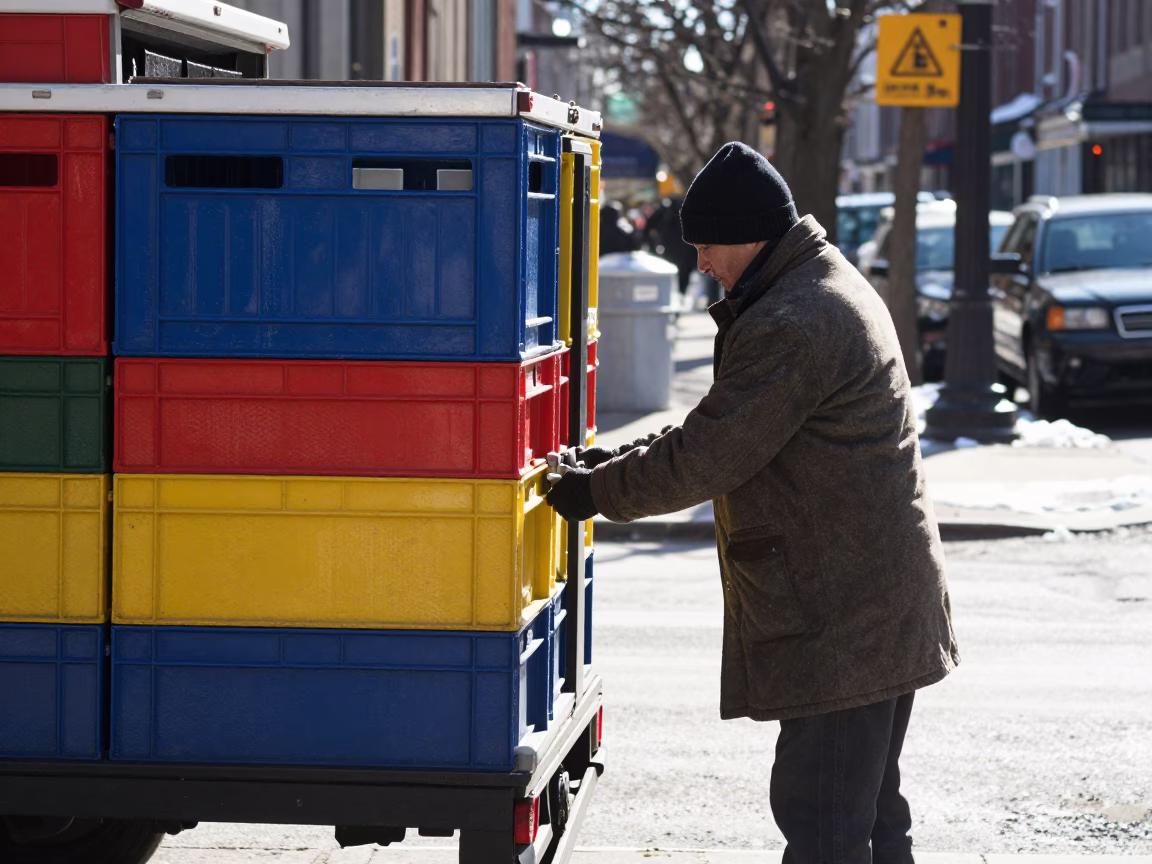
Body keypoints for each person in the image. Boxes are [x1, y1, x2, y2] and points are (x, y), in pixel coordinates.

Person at [546, 142, 959, 864]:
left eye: (707, 245)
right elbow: (728, 422)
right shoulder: (817, 286)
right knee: (868, 818)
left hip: (842, 623)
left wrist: (594, 493)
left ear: (752, 236)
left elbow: (709, 455)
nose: (702, 263)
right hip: (874, 608)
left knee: (825, 823)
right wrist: (611, 461)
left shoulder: (793, 321)